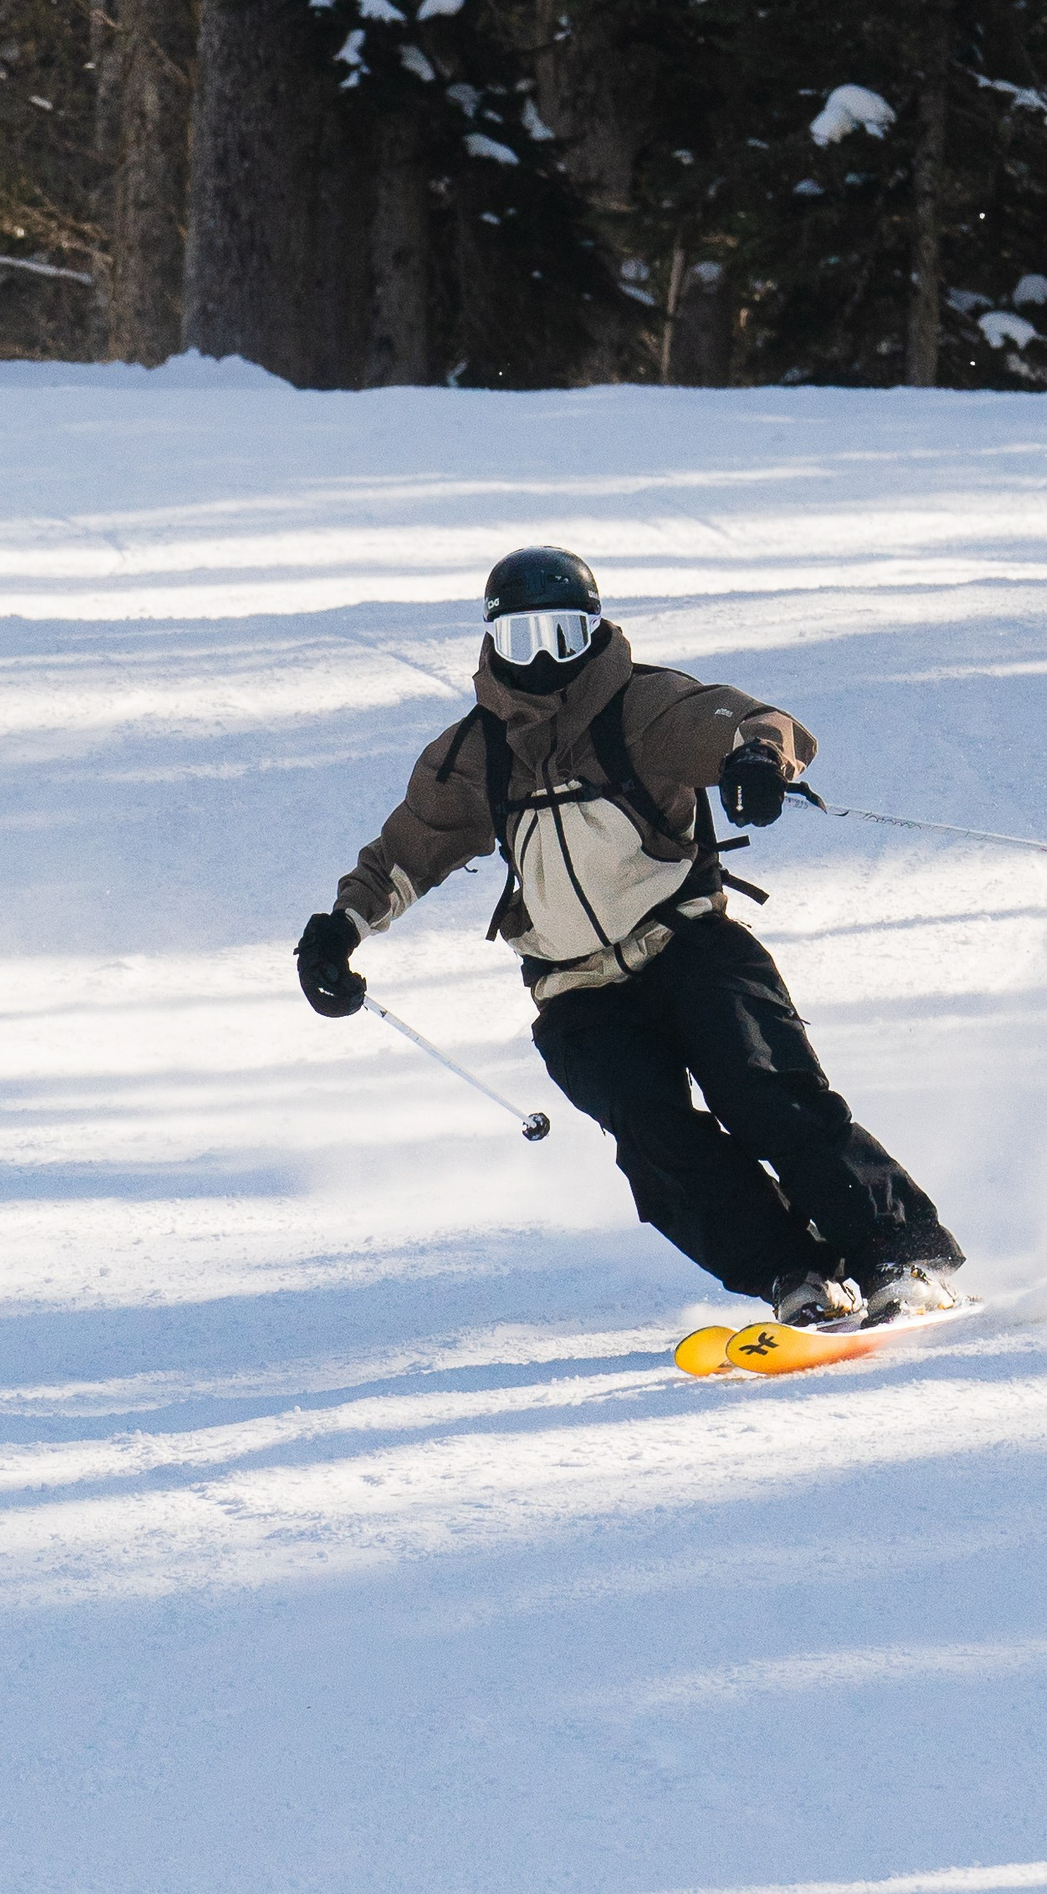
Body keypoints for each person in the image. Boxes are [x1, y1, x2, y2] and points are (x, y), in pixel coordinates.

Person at [293, 544, 964, 1326]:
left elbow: (754, 722)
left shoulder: (641, 709)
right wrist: (340, 930)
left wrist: (755, 760)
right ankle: (794, 1276)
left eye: (563, 637)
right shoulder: (475, 756)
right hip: (576, 989)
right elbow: (409, 849)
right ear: (490, 643)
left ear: (594, 632)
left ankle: (899, 1253)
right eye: (521, 640)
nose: (543, 659)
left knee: (766, 1093)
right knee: (656, 1143)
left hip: (689, 947)